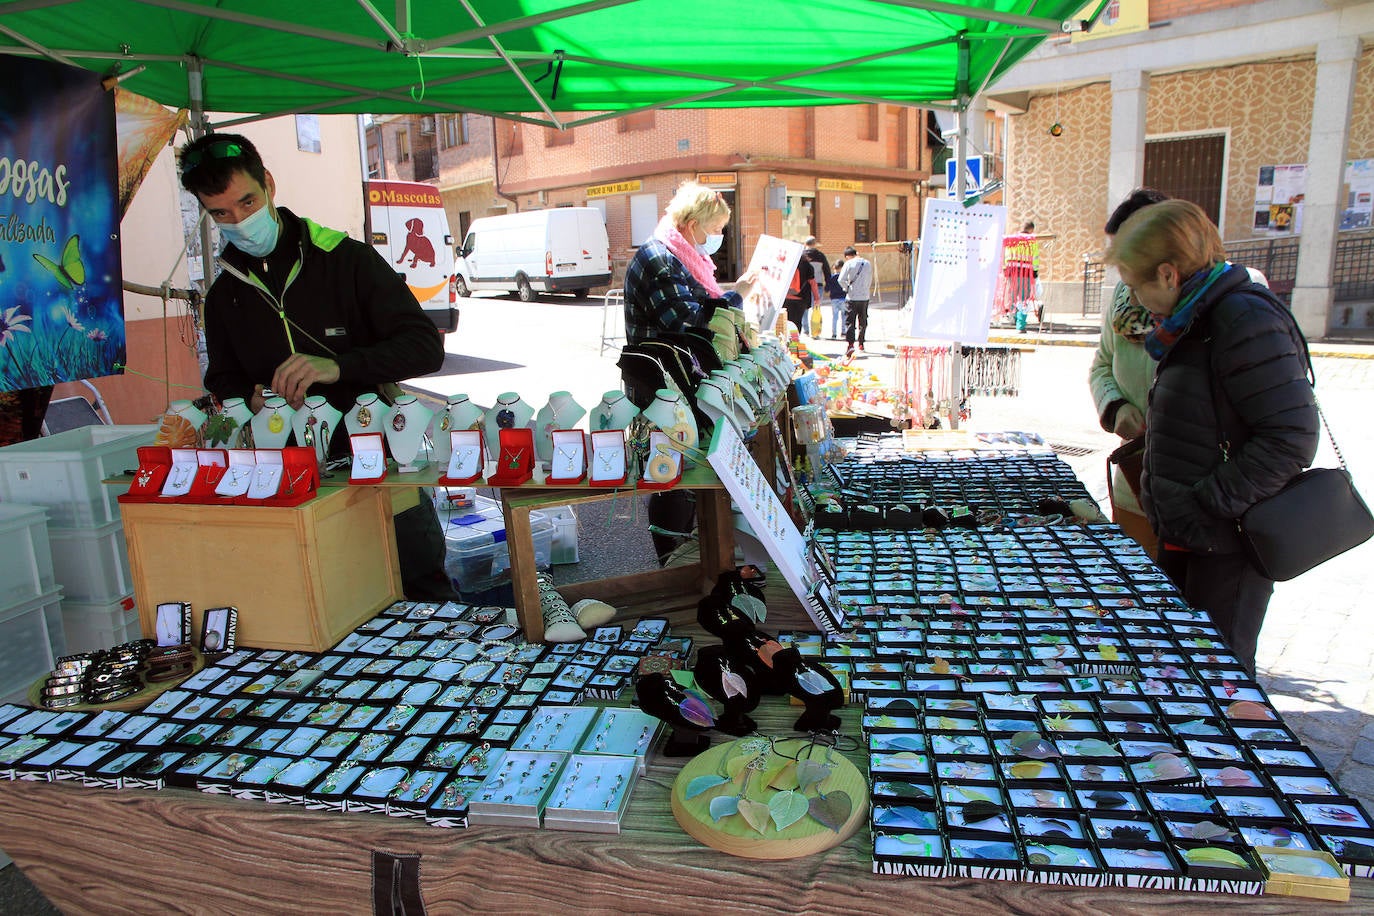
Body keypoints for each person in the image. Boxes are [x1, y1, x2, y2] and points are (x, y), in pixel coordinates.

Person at [178, 132, 455, 601]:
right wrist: (239, 397)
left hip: (384, 470)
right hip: (290, 481)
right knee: (322, 603)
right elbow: (223, 377)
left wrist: (337, 367)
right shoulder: (225, 295)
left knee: (420, 593)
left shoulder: (346, 261)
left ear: (268, 183)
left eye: (247, 202)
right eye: (221, 213)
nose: (240, 221)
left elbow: (425, 347)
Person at [1105, 199, 1318, 674]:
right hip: (1193, 534)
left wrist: (1205, 502)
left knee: (1220, 675)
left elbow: (1291, 438)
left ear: (1167, 274)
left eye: (1136, 286)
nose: (1135, 299)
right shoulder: (1195, 318)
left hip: (1228, 543)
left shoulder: (1242, 318)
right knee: (1185, 668)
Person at [622, 181, 755, 562]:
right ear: (692, 223)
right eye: (713, 230)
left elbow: (694, 306)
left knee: (679, 471)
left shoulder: (677, 254)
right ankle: (672, 559)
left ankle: (682, 556)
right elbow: (688, 322)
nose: (715, 239)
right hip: (662, 385)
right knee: (672, 473)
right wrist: (735, 297)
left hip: (674, 381)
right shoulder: (661, 259)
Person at [1089, 189, 1170, 557]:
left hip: (1199, 507)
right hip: (1134, 480)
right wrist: (1116, 407)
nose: (1123, 272)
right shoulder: (1124, 299)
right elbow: (1102, 365)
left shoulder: (1213, 307)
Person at [838, 246, 872, 357]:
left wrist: (846, 288)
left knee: (850, 322)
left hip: (851, 297)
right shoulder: (867, 263)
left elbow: (841, 279)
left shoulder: (848, 264)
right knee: (863, 320)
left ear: (847, 256)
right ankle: (861, 343)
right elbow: (870, 279)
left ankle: (851, 344)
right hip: (864, 297)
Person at [799, 237, 832, 337]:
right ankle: (815, 332)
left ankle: (805, 330)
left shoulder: (802, 256)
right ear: (815, 244)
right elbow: (827, 271)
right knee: (816, 308)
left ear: (805, 244)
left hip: (804, 286)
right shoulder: (820, 256)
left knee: (804, 308)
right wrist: (828, 285)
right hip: (818, 285)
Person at [827, 259, 846, 338]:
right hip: (843, 298)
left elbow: (827, 288)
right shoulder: (844, 277)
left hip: (834, 299)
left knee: (835, 317)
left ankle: (834, 333)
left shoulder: (831, 277)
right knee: (844, 316)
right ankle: (843, 332)